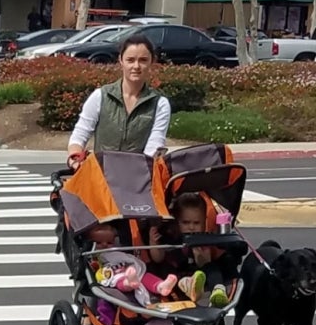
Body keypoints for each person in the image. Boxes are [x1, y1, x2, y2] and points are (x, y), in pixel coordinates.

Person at [66, 33, 172, 170]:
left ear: (152, 62)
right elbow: (80, 134)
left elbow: (154, 147)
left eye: (143, 60)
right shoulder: (100, 96)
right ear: (121, 60)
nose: (136, 66)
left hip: (139, 180)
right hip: (100, 178)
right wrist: (75, 160)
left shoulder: (160, 104)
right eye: (130, 60)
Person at [150, 193, 232, 307]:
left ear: (204, 222)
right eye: (186, 223)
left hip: (199, 274)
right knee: (165, 268)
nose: (191, 227)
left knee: (212, 267)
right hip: (177, 275)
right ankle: (188, 285)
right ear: (177, 222)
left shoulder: (204, 239)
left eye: (197, 223)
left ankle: (218, 288)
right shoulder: (171, 238)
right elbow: (158, 259)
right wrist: (153, 242)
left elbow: (204, 263)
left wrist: (200, 256)